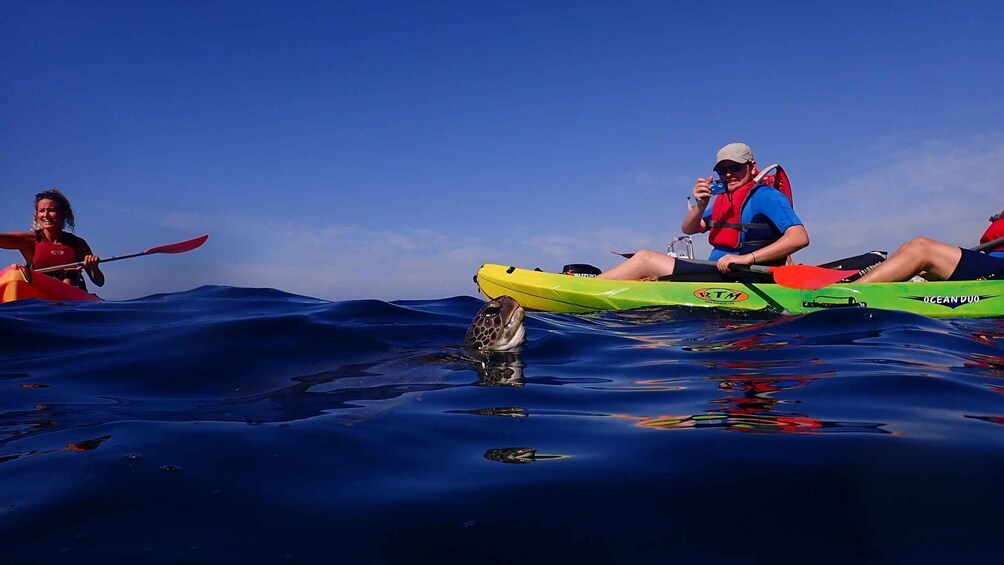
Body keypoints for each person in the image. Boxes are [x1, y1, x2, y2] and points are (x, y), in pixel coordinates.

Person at [597, 142, 809, 281]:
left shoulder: (766, 196)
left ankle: (581, 289)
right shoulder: (725, 199)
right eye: (722, 170)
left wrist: (747, 259)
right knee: (643, 266)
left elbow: (799, 237)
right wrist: (700, 205)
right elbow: (689, 228)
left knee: (645, 258)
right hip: (717, 272)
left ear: (752, 167)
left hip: (744, 275)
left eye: (735, 168)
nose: (728, 174)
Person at [856, 210, 1004, 282]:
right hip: (992, 262)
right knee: (908, 254)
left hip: (999, 271)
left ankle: (850, 293)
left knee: (921, 249)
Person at [0, 189, 105, 290]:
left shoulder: (78, 243)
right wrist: (16, 271)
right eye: (42, 211)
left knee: (69, 279)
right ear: (36, 215)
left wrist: (94, 268)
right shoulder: (29, 240)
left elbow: (99, 282)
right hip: (42, 296)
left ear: (63, 213)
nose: (46, 215)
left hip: (72, 297)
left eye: (51, 210)